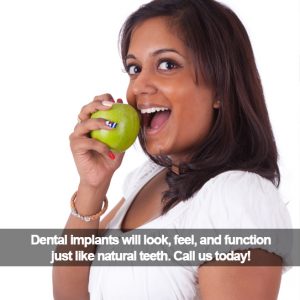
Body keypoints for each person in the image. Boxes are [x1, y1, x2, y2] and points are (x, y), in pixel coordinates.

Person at [53, 0, 291, 299]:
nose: (139, 85)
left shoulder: (238, 196)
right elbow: (70, 295)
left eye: (167, 64)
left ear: (219, 87)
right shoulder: (150, 177)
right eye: (134, 68)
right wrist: (92, 186)